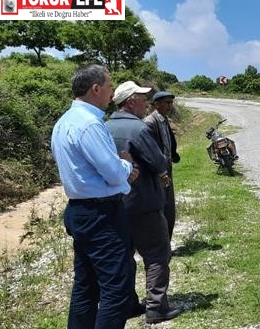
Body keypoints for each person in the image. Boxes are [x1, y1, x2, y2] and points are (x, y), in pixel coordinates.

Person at [51, 64, 139, 328]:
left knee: (85, 286)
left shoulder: (63, 122)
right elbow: (113, 172)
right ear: (96, 88)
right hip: (102, 214)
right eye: (110, 86)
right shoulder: (90, 124)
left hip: (79, 211)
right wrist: (126, 165)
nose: (112, 93)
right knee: (116, 289)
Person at [106, 81, 181, 324]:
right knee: (157, 253)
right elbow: (159, 162)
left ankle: (127, 303)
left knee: (124, 255)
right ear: (130, 101)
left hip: (115, 203)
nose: (145, 102)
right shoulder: (138, 129)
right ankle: (156, 307)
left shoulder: (104, 127)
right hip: (143, 203)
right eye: (141, 98)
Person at [143, 91, 180, 240]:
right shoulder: (150, 123)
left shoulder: (163, 120)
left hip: (166, 168)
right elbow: (149, 151)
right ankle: (159, 245)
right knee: (160, 208)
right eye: (166, 103)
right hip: (158, 171)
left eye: (171, 103)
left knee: (169, 208)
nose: (169, 106)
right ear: (155, 104)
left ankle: (166, 243)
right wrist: (159, 171)